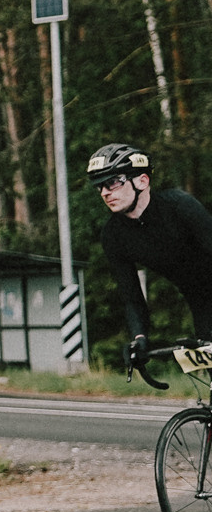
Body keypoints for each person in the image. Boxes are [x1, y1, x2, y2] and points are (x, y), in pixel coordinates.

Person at [88, 142, 212, 384]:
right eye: (99, 186)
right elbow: (132, 296)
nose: (104, 192)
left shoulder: (179, 206)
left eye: (113, 182)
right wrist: (139, 338)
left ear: (142, 181)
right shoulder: (113, 234)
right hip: (201, 300)